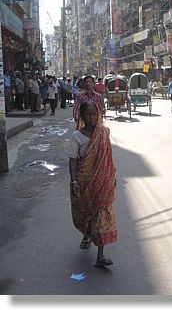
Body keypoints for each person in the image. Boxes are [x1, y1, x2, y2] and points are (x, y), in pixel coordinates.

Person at [68, 102, 117, 267]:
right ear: (82, 116)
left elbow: (108, 157)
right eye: (88, 115)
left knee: (102, 216)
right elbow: (73, 160)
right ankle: (86, 235)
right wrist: (74, 180)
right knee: (87, 214)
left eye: (94, 114)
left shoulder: (103, 133)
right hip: (84, 182)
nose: (92, 118)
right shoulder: (77, 136)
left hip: (102, 182)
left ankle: (100, 256)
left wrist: (111, 176)